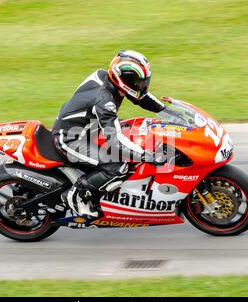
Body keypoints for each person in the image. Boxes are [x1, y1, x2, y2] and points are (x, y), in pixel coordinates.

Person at [52, 50, 169, 217]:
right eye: (137, 82)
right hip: (70, 138)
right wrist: (146, 155)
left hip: (90, 130)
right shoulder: (104, 101)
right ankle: (78, 196)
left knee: (133, 143)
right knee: (117, 167)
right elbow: (116, 142)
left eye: (143, 81)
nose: (141, 85)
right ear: (124, 80)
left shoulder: (108, 78)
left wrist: (167, 110)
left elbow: (140, 97)